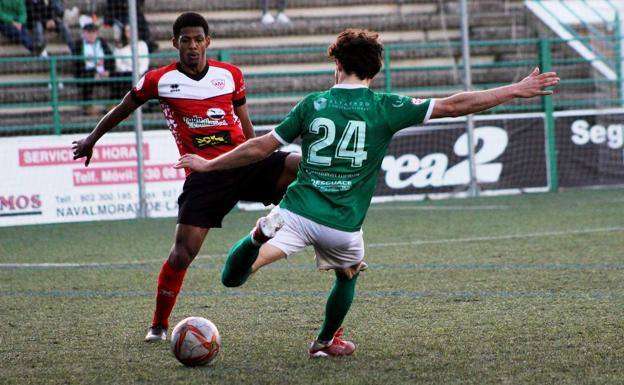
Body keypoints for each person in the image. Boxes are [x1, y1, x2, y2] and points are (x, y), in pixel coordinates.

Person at [174, 29, 560, 358]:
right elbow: (456, 105)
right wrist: (516, 89)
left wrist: (208, 165)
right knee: (348, 273)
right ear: (375, 70)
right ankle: (325, 341)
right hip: (342, 225)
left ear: (337, 65)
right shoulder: (385, 107)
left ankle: (259, 233)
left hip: (294, 213)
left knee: (234, 278)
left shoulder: (313, 104)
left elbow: (261, 146)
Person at [71, 12, 300, 342]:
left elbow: (245, 122)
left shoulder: (230, 75)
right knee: (182, 254)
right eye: (185, 40)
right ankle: (159, 325)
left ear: (208, 41)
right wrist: (91, 139)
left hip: (242, 161)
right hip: (205, 175)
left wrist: (260, 154)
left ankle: (308, 223)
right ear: (174, 43)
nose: (192, 46)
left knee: (299, 164)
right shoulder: (158, 80)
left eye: (198, 40)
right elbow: (122, 108)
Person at [72, 21, 114, 116]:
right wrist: (94, 71)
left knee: (118, 76)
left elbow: (111, 58)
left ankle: (112, 105)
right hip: (87, 72)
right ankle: (88, 106)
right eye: (88, 32)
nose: (91, 35)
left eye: (93, 32)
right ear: (84, 33)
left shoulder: (102, 42)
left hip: (103, 72)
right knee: (88, 77)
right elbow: (77, 64)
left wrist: (107, 70)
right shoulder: (78, 45)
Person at [112, 24, 149, 101]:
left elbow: (145, 62)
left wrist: (138, 72)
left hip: (141, 72)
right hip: (127, 73)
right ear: (124, 33)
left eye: (132, 30)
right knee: (122, 77)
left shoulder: (142, 44)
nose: (130, 33)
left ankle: (150, 106)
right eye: (127, 31)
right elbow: (119, 65)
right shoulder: (119, 47)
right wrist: (131, 71)